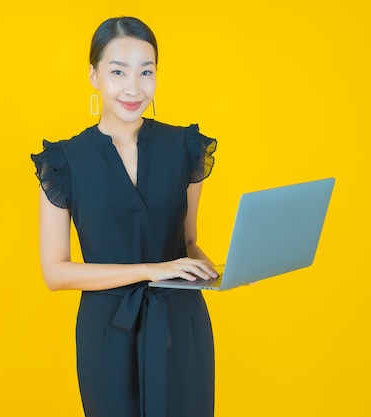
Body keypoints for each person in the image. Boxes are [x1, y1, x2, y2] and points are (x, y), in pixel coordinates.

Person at [31, 16, 218, 417]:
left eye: (146, 72)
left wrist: (218, 271)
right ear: (94, 76)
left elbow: (187, 244)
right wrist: (152, 270)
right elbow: (56, 273)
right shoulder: (63, 162)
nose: (134, 88)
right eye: (118, 72)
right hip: (108, 330)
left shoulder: (185, 147)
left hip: (181, 323)